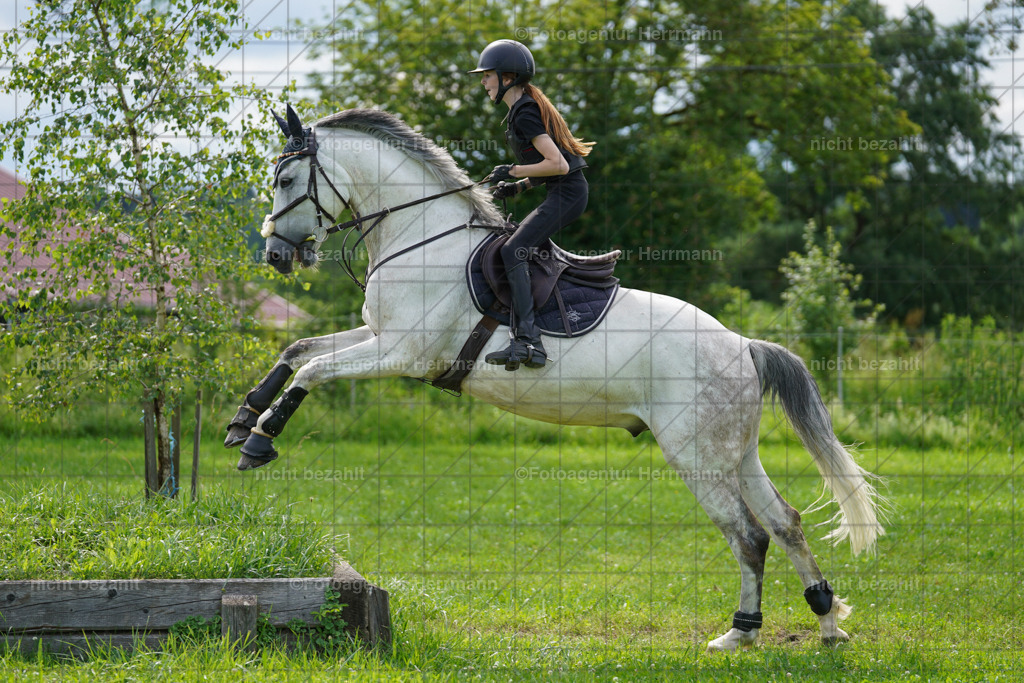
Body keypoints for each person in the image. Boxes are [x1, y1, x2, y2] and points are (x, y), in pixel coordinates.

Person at [468, 39, 594, 371]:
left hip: (567, 194)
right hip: (562, 193)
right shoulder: (521, 109)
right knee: (514, 245)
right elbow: (548, 166)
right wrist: (519, 185)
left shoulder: (524, 111)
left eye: (487, 76)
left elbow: (559, 165)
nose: (483, 82)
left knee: (514, 250)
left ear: (506, 77)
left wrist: (512, 170)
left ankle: (528, 341)